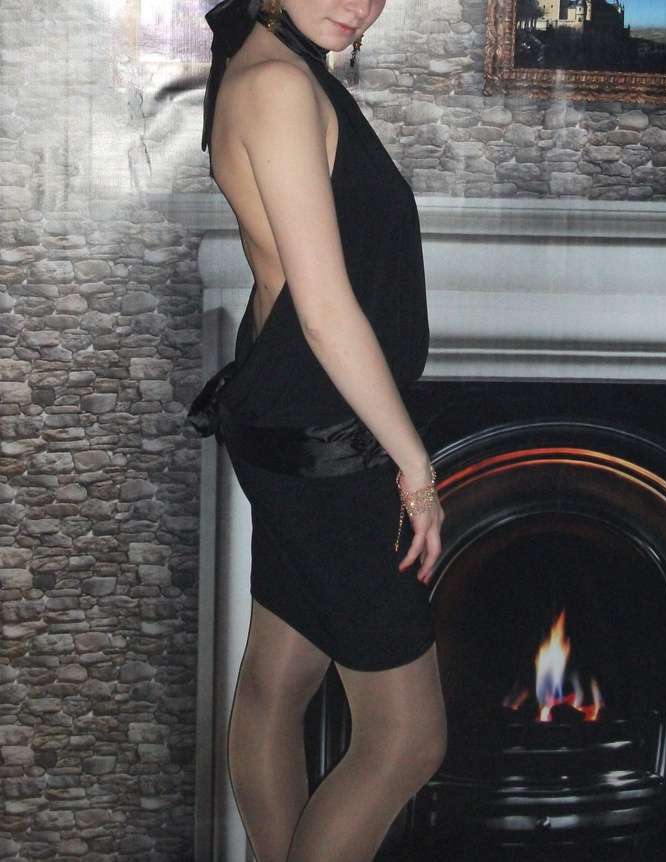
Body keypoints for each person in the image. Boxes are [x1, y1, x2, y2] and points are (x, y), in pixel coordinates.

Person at [190, 1, 447, 859]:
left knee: (280, 676)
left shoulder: (276, 62)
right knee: (407, 738)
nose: (360, 3)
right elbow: (326, 309)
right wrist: (416, 471)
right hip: (330, 440)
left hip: (302, 418)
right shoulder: (276, 83)